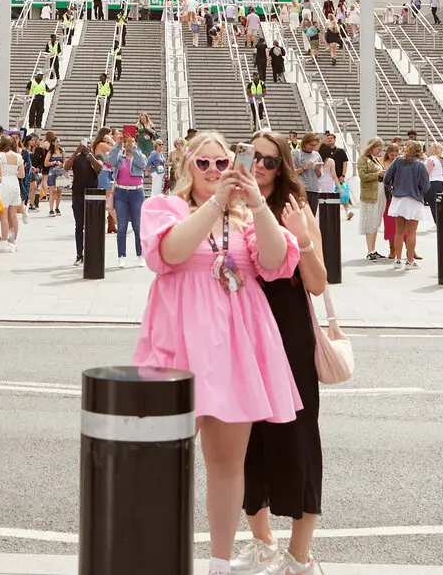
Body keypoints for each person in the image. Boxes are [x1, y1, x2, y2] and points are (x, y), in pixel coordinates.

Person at [135, 132, 301, 575]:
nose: (213, 172)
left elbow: (276, 258)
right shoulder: (166, 208)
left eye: (221, 163)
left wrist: (257, 203)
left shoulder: (246, 217)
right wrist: (214, 204)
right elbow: (170, 251)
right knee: (163, 455)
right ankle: (159, 554)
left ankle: (218, 564)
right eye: (203, 164)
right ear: (188, 167)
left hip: (235, 346)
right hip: (178, 340)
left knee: (227, 462)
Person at [237, 129, 330, 575]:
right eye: (254, 156)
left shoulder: (294, 206)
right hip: (243, 332)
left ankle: (300, 554)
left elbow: (317, 283)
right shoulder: (228, 203)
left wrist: (303, 238)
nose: (259, 166)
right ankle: (263, 544)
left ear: (283, 167)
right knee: (243, 438)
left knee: (298, 436)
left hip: (289, 332)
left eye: (270, 161)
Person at [382, 140, 430, 268]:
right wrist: (420, 191)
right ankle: (409, 260)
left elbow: (387, 178)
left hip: (399, 198)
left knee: (399, 231)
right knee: (411, 232)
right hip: (414, 199)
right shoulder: (420, 165)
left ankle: (398, 259)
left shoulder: (398, 161)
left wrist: (391, 188)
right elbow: (426, 185)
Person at [112, 130, 149, 261]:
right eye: (127, 142)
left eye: (131, 141)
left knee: (137, 226)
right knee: (122, 226)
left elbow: (143, 164)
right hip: (121, 192)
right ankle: (121, 255)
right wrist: (118, 145)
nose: (128, 143)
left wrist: (133, 148)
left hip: (136, 193)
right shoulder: (119, 157)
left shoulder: (140, 156)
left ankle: (140, 255)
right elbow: (110, 161)